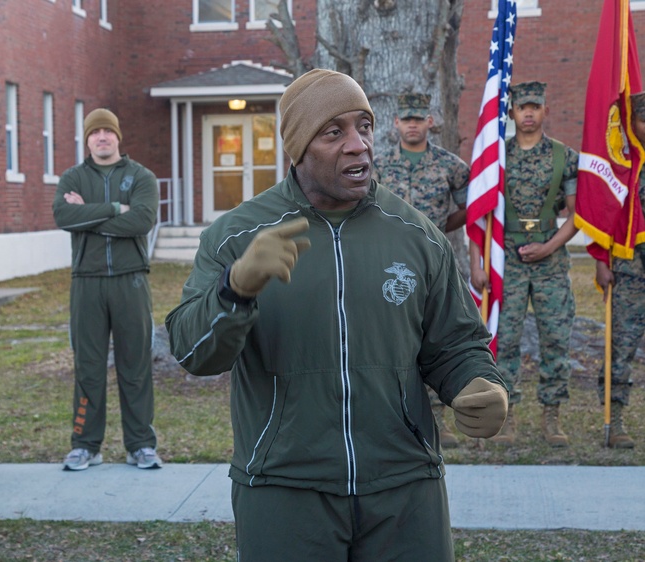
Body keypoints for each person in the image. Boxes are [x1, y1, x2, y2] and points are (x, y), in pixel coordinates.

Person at [165, 69, 508, 561]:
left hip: (405, 488)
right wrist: (235, 289)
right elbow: (194, 353)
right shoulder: (237, 236)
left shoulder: (415, 235)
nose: (358, 145)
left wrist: (479, 383)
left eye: (364, 127)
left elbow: (455, 345)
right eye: (334, 132)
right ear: (298, 147)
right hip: (284, 490)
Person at [470, 81, 580, 448]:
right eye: (522, 107)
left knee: (555, 338)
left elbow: (576, 217)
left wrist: (548, 247)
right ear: (512, 112)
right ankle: (507, 415)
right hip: (509, 260)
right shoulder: (497, 157)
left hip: (550, 260)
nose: (529, 113)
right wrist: (478, 262)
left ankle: (552, 416)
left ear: (546, 110)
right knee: (506, 341)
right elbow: (481, 214)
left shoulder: (565, 157)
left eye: (535, 106)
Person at [52, 108, 162, 471]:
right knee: (89, 367)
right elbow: (64, 217)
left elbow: (142, 220)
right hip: (87, 281)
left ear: (117, 137)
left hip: (131, 279)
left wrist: (90, 218)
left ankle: (141, 444)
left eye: (107, 131)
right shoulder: (73, 177)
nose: (102, 137)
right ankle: (86, 444)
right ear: (87, 139)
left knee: (135, 364)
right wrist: (115, 208)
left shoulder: (140, 176)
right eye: (95, 132)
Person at [374, 92, 471, 448]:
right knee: (394, 338)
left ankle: (438, 421)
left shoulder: (451, 165)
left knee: (435, 337)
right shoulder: (379, 166)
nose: (413, 124)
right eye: (406, 118)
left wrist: (440, 227)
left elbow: (471, 208)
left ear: (430, 122)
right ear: (396, 123)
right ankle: (393, 418)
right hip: (389, 264)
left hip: (433, 263)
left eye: (419, 118)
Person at [594, 91, 645, 449]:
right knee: (622, 344)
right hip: (629, 267)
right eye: (642, 118)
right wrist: (599, 260)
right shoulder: (621, 165)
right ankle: (617, 420)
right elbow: (602, 211)